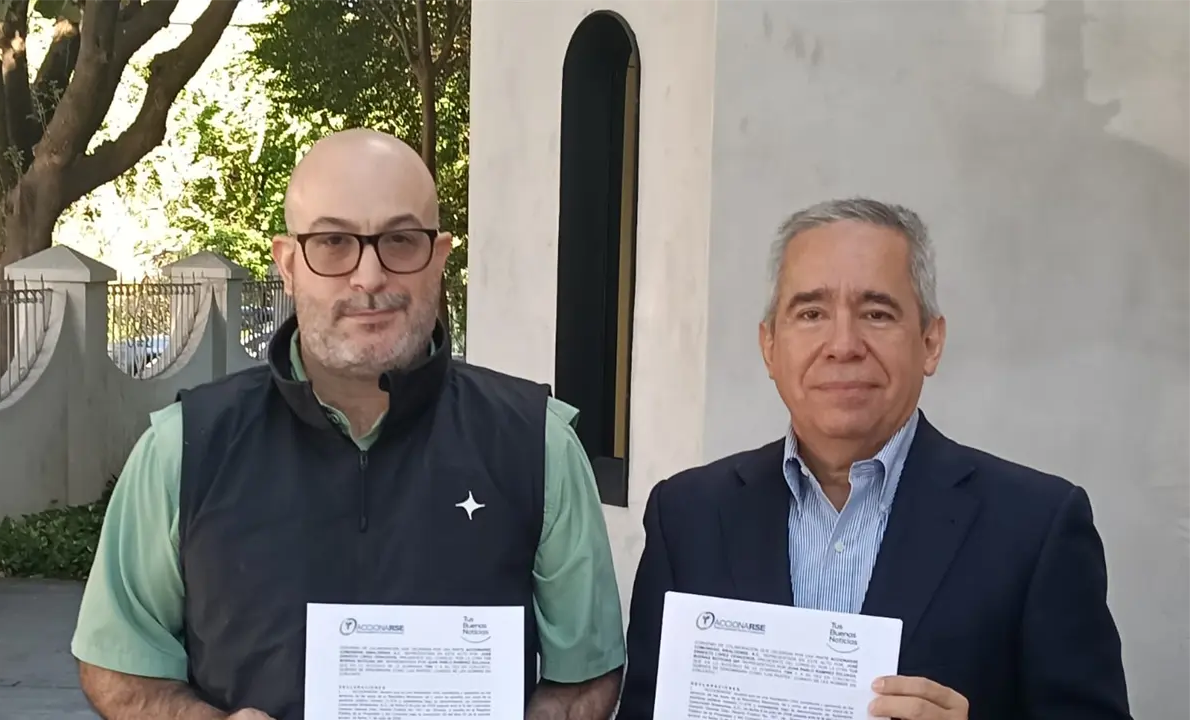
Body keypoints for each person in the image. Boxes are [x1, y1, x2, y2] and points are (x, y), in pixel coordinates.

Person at [71, 129, 626, 720]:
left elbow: (584, 679)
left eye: (400, 240)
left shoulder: (537, 446)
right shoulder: (183, 449)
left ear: (437, 258)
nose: (368, 277)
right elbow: (118, 664)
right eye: (333, 242)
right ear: (288, 265)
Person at [616, 198, 1131, 720]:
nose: (842, 345)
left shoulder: (1036, 527)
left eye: (877, 313)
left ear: (931, 342)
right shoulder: (687, 516)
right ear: (769, 346)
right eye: (811, 313)